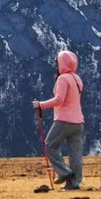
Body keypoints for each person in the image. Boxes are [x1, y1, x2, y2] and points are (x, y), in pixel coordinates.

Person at [32, 50, 84, 191]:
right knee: (75, 153)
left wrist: (40, 105)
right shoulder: (77, 78)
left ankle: (64, 172)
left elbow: (59, 100)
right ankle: (74, 183)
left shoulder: (63, 79)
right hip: (79, 121)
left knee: (50, 144)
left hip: (64, 120)